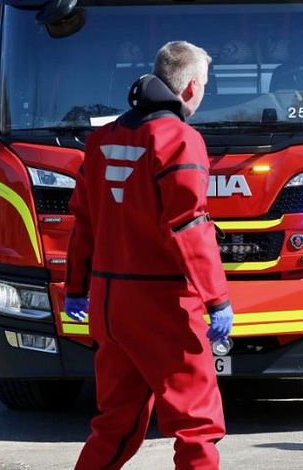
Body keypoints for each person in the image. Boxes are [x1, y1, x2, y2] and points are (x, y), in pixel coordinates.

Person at [64, 41, 233, 469]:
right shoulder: (180, 140)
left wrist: (76, 288)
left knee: (116, 426)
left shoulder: (101, 139)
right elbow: (190, 227)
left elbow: (83, 222)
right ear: (192, 86)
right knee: (197, 427)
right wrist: (218, 300)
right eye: (206, 84)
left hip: (108, 306)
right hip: (162, 307)